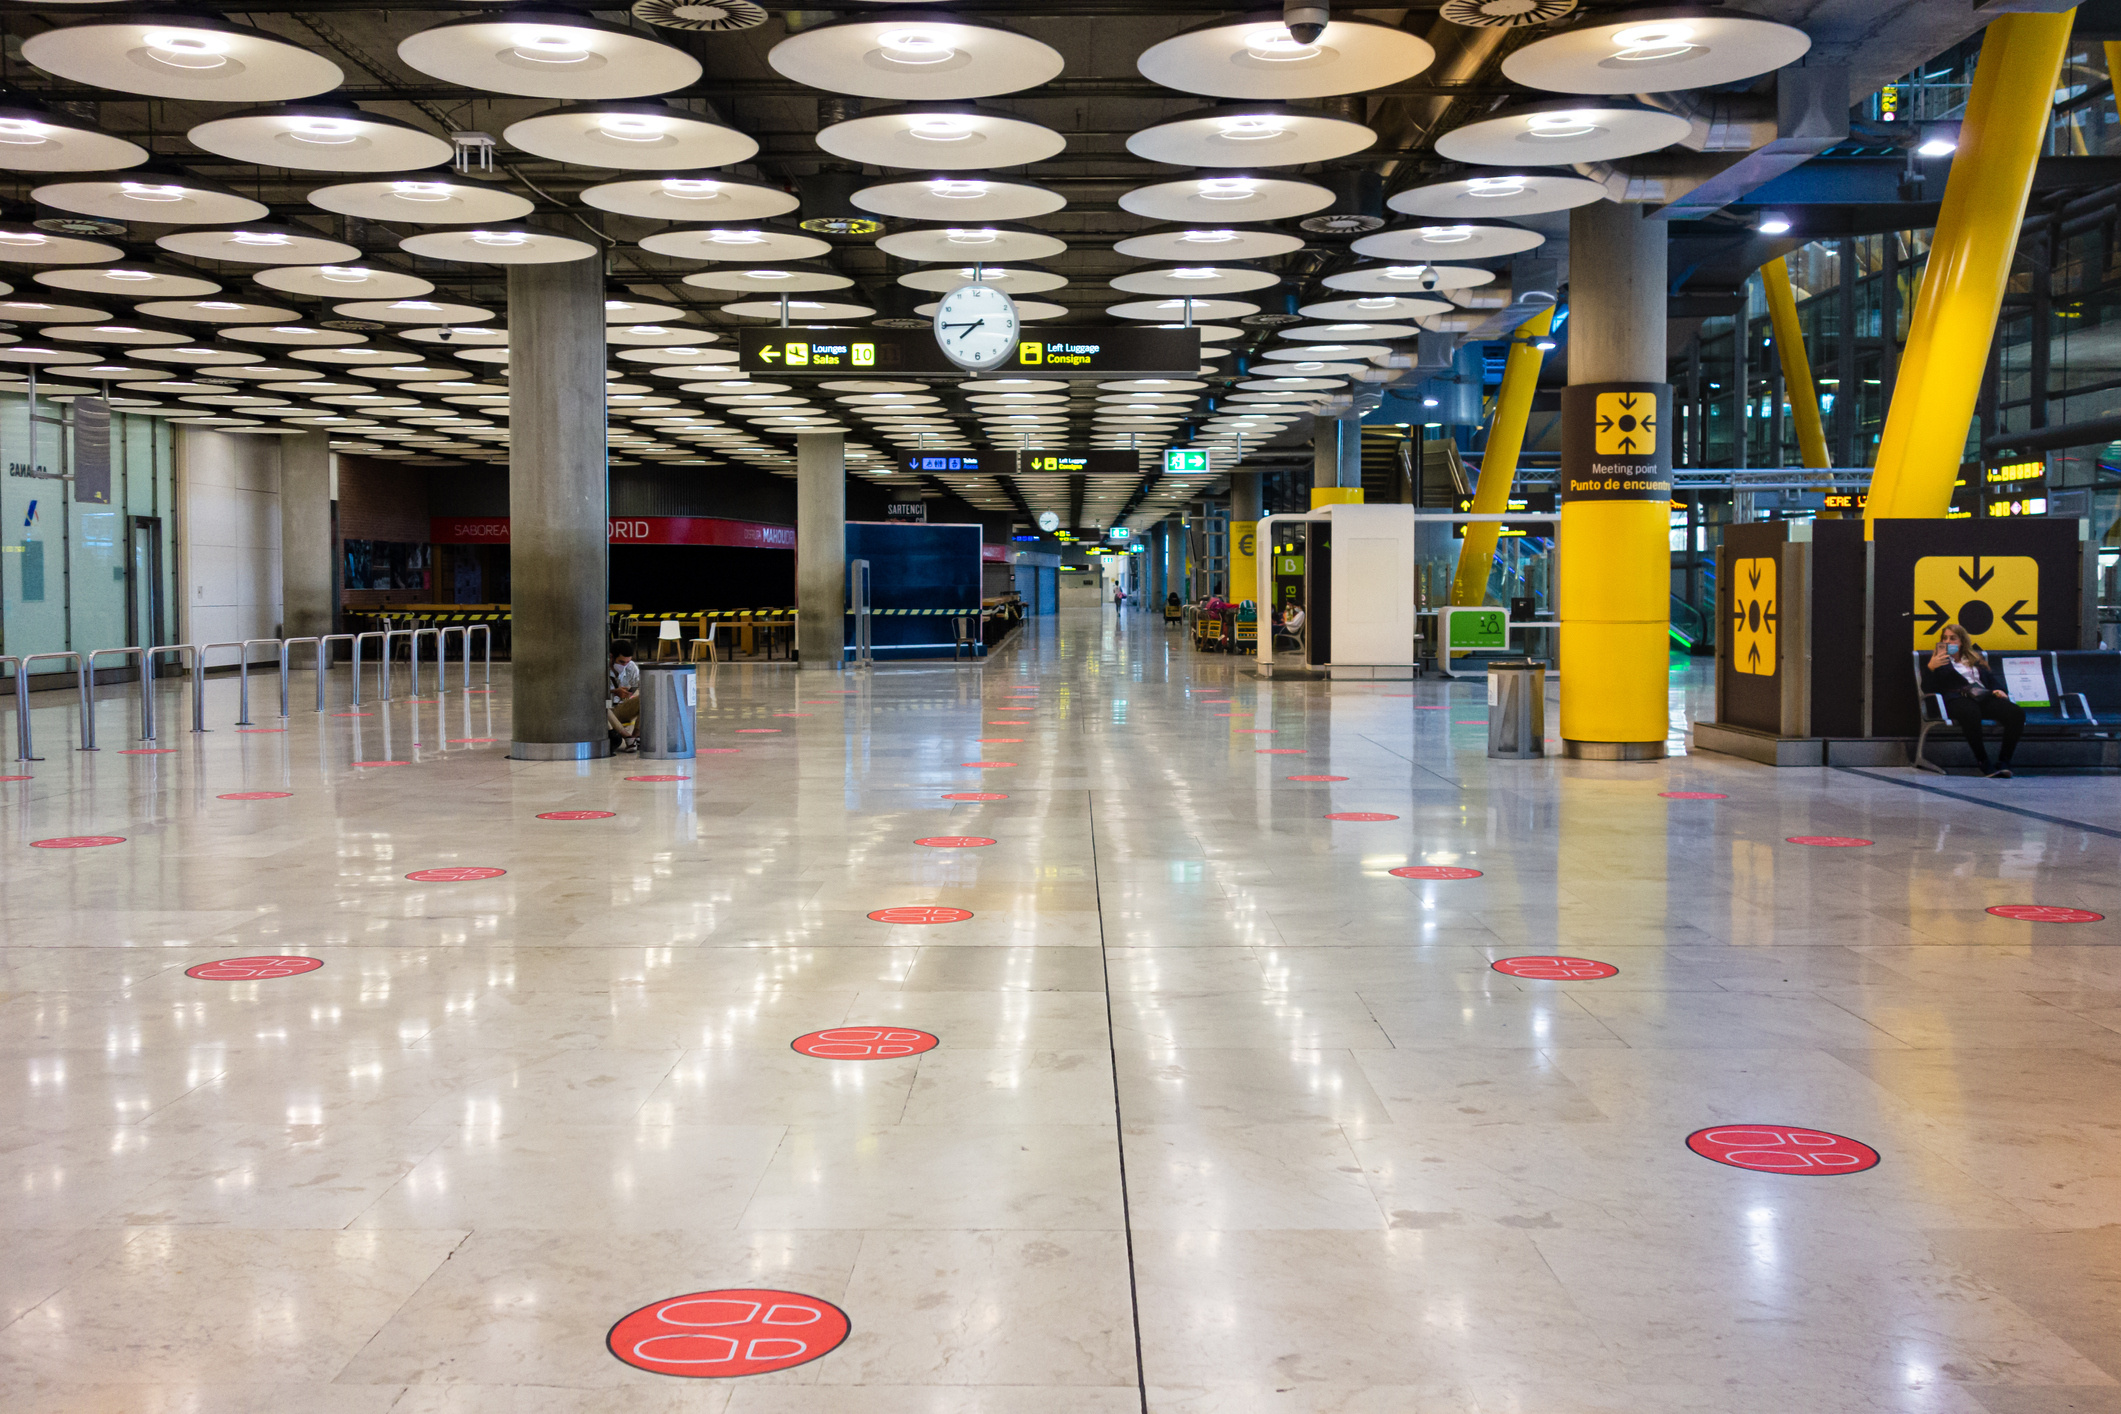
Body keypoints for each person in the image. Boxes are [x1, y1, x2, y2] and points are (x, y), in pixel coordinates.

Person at [1923, 623, 2023, 778]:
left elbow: (1991, 681)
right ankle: (1983, 761)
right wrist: (1931, 668)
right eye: (1945, 638)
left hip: (1983, 696)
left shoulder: (1974, 660)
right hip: (1957, 699)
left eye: (1953, 638)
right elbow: (1928, 687)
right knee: (1970, 711)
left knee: (2016, 713)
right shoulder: (1939, 662)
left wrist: (2000, 691)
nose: (1948, 642)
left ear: (1961, 641)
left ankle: (2005, 761)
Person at [608, 639, 641, 752]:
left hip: (620, 707)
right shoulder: (601, 668)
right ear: (612, 657)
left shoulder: (631, 667)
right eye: (622, 662)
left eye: (628, 662)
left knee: (646, 699)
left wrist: (630, 692)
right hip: (606, 711)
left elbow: (638, 683)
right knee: (602, 708)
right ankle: (627, 737)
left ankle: (636, 736)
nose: (625, 665)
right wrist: (614, 691)